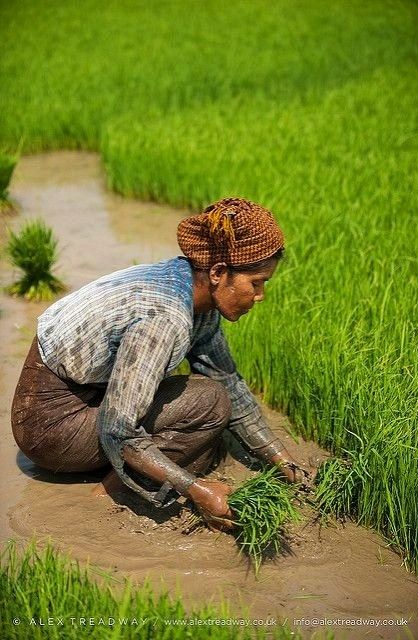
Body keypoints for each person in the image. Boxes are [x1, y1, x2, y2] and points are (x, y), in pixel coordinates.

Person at [11, 197, 315, 528]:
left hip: (86, 394)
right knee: (210, 404)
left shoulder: (191, 287)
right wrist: (199, 491)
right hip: (51, 427)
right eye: (256, 283)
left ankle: (125, 473)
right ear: (218, 273)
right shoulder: (165, 315)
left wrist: (285, 462)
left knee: (214, 410)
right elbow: (119, 428)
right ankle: (111, 495)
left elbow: (229, 381)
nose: (260, 296)